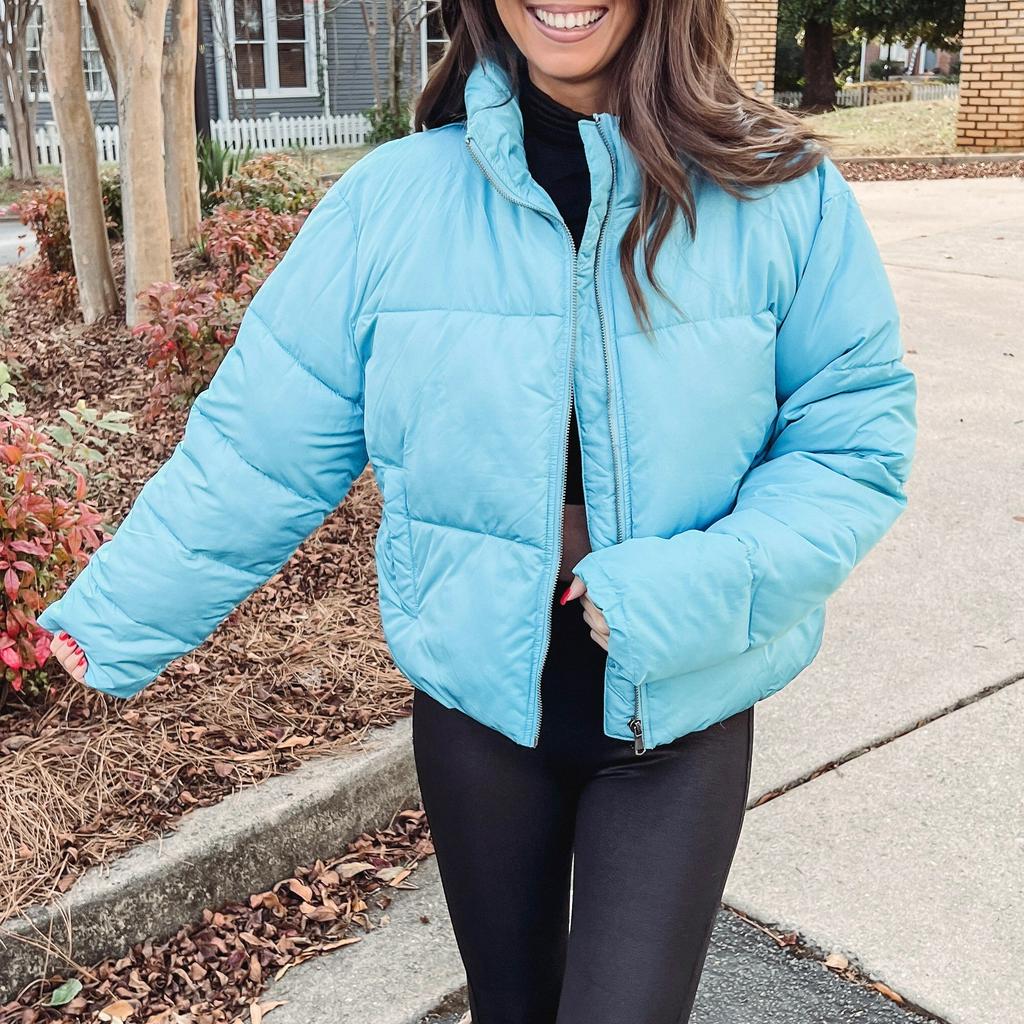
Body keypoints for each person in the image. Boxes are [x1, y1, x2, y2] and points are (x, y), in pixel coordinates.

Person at [40, 0, 918, 1020]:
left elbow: (848, 446)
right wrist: (116, 615)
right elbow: (258, 447)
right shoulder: (391, 202)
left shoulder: (780, 193)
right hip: (478, 714)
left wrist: (686, 590)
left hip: (680, 711)